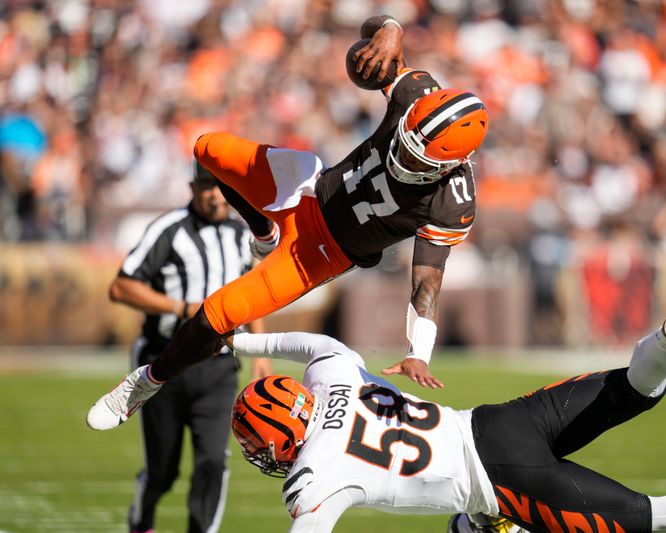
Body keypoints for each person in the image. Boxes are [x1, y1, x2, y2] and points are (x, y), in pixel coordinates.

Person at [87, 14, 490, 432]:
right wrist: (388, 28)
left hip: (322, 252)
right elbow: (374, 36)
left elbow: (426, 283)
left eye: (414, 159)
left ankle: (145, 382)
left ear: (447, 167)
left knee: (216, 314)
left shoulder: (452, 203)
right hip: (308, 185)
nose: (402, 156)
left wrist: (418, 352)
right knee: (207, 148)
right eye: (404, 142)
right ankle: (264, 231)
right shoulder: (415, 93)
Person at [227, 293, 666, 533]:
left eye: (257, 446)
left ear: (281, 433)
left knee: (645, 518)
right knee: (633, 390)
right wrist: (239, 343)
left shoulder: (315, 475)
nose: (261, 458)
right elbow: (313, 345)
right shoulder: (333, 377)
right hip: (494, 421)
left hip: (502, 476)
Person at [108, 163, 274, 533]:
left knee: (213, 462)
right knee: (162, 471)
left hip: (218, 366)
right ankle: (142, 517)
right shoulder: (169, 230)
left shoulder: (239, 234)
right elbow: (120, 287)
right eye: (206, 186)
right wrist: (182, 309)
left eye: (222, 187)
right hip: (163, 360)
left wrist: (259, 351)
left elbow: (254, 294)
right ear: (192, 188)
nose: (215, 194)